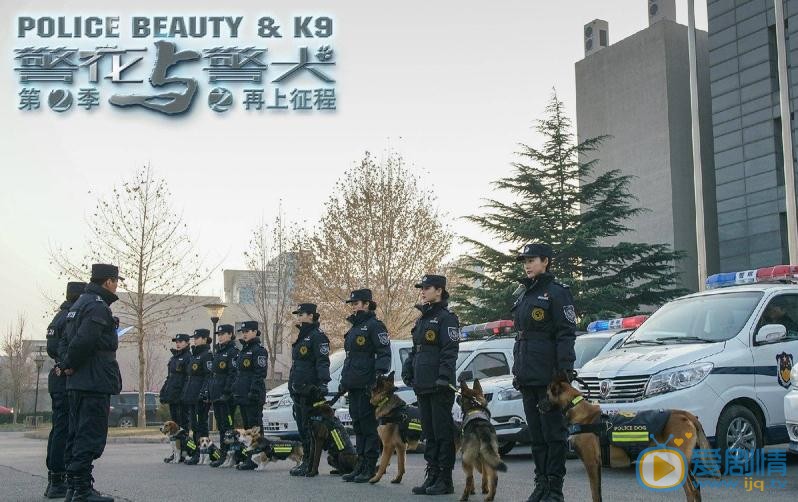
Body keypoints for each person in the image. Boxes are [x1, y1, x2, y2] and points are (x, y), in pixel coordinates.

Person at [511, 243, 576, 502]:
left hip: (549, 379)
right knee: (536, 437)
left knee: (554, 435)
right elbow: (521, 338)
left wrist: (563, 374)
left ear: (546, 261)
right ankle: (541, 483)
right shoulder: (524, 295)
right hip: (528, 376)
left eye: (532, 259)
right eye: (524, 260)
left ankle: (554, 489)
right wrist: (517, 370)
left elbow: (565, 334)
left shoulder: (557, 293)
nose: (527, 264)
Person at [61, 264, 124, 502]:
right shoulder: (97, 307)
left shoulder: (78, 305)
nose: (117, 286)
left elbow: (67, 341)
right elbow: (84, 341)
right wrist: (71, 362)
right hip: (93, 380)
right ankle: (81, 490)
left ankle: (74, 486)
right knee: (90, 435)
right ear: (108, 282)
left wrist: (68, 364)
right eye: (116, 281)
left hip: (80, 380)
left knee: (77, 433)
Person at [401, 275, 459, 496]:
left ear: (440, 290)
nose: (423, 291)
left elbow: (449, 350)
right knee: (430, 433)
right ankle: (432, 475)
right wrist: (409, 369)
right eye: (422, 288)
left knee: (443, 434)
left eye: (427, 288)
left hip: (439, 385)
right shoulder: (423, 319)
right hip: (423, 384)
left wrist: (444, 377)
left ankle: (445, 479)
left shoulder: (447, 318)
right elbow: (417, 349)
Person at [340, 289, 391, 483]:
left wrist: (378, 375)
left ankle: (370, 466)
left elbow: (384, 352)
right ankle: (359, 465)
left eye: (357, 303)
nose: (353, 306)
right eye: (352, 303)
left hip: (367, 385)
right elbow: (349, 359)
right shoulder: (354, 328)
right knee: (358, 426)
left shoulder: (374, 326)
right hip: (353, 384)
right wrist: (344, 381)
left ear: (367, 304)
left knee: (368, 427)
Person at [43, 281, 85, 499]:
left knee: (58, 428)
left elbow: (51, 347)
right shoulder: (69, 317)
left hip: (56, 378)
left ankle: (55, 478)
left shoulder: (58, 317)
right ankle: (59, 477)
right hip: (65, 378)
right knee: (65, 429)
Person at [287, 303, 331, 477]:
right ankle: (306, 461)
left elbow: (322, 361)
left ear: (311, 315)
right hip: (298, 389)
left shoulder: (317, 336)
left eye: (301, 314)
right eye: (298, 314)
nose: (298, 316)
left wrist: (323, 383)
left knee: (309, 428)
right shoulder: (302, 336)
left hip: (309, 390)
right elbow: (297, 365)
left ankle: (310, 464)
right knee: (301, 426)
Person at [232, 320, 268, 470]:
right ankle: (250, 457)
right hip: (242, 395)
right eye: (243, 332)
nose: (244, 334)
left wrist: (253, 391)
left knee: (255, 428)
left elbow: (259, 374)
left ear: (254, 332)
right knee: (248, 429)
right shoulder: (243, 350)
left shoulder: (259, 351)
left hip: (253, 395)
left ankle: (258, 457)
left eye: (247, 331)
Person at [208, 324, 239, 468]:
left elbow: (233, 374)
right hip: (217, 395)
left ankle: (232, 455)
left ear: (230, 335)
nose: (219, 337)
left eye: (222, 334)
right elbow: (214, 376)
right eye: (218, 334)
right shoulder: (218, 352)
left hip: (226, 397)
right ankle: (224, 454)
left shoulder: (232, 352)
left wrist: (227, 392)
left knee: (228, 428)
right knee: (221, 427)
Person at [181, 329, 213, 465]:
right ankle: (196, 452)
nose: (195, 339)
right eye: (194, 337)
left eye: (198, 337)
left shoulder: (207, 355)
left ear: (205, 339)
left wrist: (204, 392)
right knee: (194, 425)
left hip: (200, 397)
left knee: (201, 425)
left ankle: (203, 453)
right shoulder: (195, 355)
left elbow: (208, 376)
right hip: (192, 395)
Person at [159, 333, 191, 462]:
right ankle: (175, 452)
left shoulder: (188, 357)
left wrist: (184, 394)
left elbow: (188, 379)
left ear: (187, 343)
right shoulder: (173, 359)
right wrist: (163, 392)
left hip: (182, 398)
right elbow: (170, 378)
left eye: (181, 341)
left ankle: (185, 451)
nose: (178, 343)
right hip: (173, 397)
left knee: (183, 427)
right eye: (176, 341)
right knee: (173, 428)